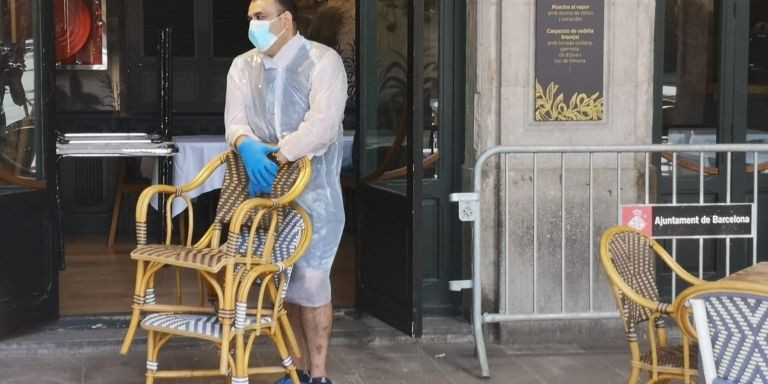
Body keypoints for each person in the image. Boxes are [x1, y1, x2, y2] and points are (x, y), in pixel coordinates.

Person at [224, 0, 347, 383]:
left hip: (314, 196)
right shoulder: (243, 66)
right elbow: (234, 120)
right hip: (264, 197)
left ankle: (320, 375)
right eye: (250, 19)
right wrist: (244, 144)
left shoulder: (323, 62)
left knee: (312, 281)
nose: (252, 25)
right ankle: (295, 371)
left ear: (286, 20)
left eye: (260, 17)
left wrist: (278, 157)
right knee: (281, 283)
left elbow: (323, 125)